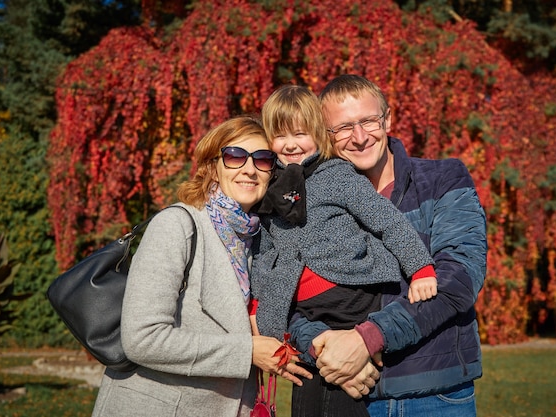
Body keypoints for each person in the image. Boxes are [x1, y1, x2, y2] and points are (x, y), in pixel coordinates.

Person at [289, 74, 488, 416]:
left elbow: (459, 279)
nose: (360, 137)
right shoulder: (307, 203)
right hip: (347, 392)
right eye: (344, 127)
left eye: (369, 121)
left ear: (388, 119)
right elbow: (285, 294)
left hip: (433, 397)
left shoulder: (442, 179)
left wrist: (367, 338)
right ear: (326, 134)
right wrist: (325, 349)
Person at [91, 115, 310, 417]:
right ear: (212, 167)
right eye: (235, 156)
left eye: (262, 159)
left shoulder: (256, 239)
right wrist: (247, 352)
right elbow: (142, 338)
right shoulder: (177, 225)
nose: (249, 168)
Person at [250, 85, 438, 417]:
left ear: (318, 134)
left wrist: (420, 267)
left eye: (300, 133)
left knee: (342, 394)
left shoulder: (336, 175)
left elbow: (386, 221)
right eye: (280, 135)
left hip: (349, 293)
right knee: (307, 390)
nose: (291, 143)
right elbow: (265, 251)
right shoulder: (272, 187)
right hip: (304, 307)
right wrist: (258, 302)